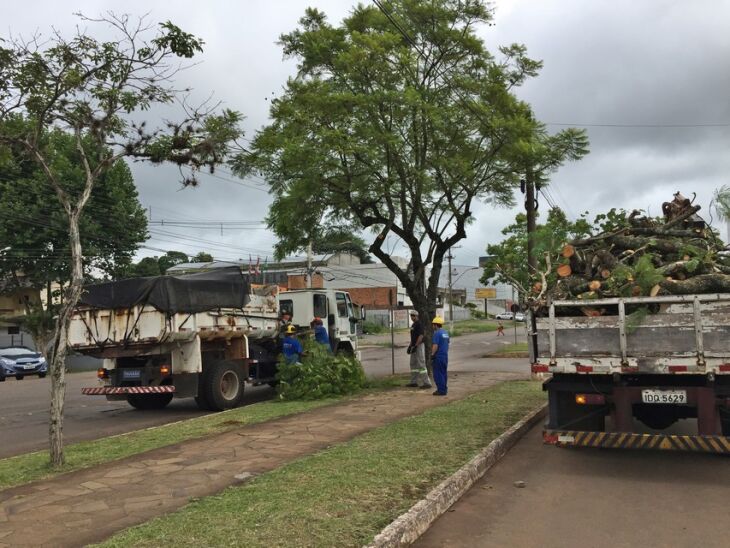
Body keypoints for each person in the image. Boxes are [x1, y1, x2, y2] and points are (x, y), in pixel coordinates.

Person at [405, 311, 432, 389]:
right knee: (413, 364)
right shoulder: (413, 325)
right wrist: (410, 346)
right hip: (414, 346)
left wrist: (416, 345)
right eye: (411, 316)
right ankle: (413, 382)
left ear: (417, 316)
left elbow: (421, 336)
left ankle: (427, 383)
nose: (412, 317)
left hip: (419, 346)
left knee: (421, 363)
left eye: (413, 316)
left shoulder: (419, 324)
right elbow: (413, 337)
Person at [430, 316, 450, 396]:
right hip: (445, 356)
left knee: (438, 373)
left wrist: (432, 354)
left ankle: (441, 390)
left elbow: (435, 345)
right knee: (443, 373)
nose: (432, 326)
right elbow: (448, 344)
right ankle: (444, 389)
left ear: (436, 325)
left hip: (438, 356)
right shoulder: (445, 333)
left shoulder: (437, 333)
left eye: (433, 324)